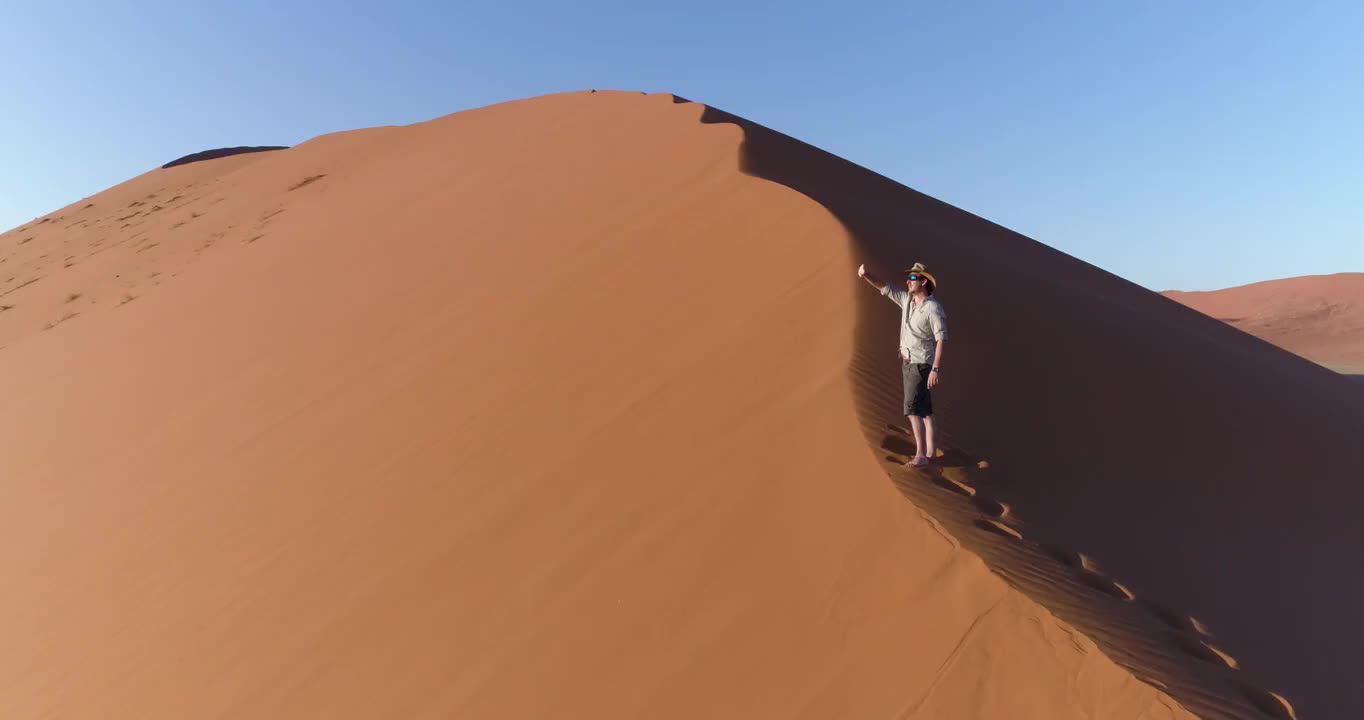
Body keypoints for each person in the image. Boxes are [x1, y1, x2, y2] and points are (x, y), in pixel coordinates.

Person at [858, 261, 947, 466]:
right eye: (908, 277)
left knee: (912, 410)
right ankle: (931, 453)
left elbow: (941, 337)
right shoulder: (906, 300)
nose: (908, 281)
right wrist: (866, 275)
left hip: (920, 363)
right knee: (925, 411)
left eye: (913, 278)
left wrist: (936, 368)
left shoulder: (932, 308)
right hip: (909, 362)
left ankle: (921, 455)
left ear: (923, 281)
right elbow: (885, 288)